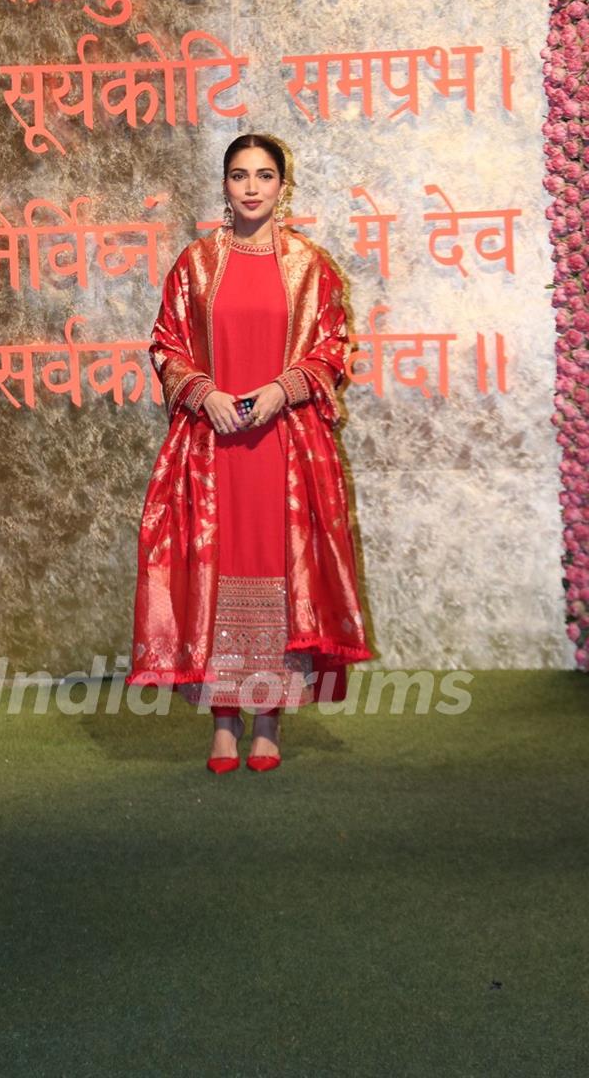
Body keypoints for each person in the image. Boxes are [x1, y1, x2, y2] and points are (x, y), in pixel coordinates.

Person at [125, 133, 375, 773]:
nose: (253, 187)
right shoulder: (196, 265)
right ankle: (223, 724)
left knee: (274, 572)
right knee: (220, 573)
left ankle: (268, 721)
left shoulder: (309, 266)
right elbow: (166, 346)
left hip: (284, 448)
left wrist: (283, 389)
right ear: (225, 185)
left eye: (265, 175)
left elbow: (330, 348)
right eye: (240, 175)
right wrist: (202, 392)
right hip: (212, 449)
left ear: (283, 185)